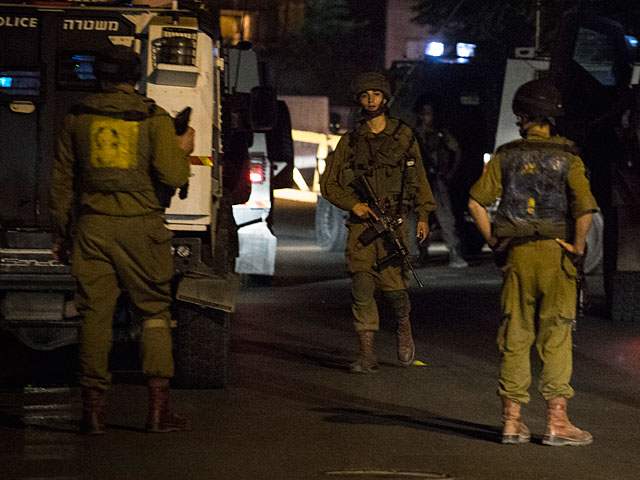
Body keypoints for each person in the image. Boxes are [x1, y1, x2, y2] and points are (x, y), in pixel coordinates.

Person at [50, 45, 194, 435]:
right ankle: (157, 412)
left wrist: (61, 233)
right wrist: (183, 149)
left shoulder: (77, 117)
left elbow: (62, 181)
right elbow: (174, 176)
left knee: (94, 316)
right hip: (141, 230)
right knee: (154, 313)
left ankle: (93, 413)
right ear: (135, 77)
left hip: (93, 230)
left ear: (100, 77)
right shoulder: (152, 118)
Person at [467, 79, 598, 446]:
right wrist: (577, 248)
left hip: (518, 254)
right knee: (556, 335)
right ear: (551, 118)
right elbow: (585, 209)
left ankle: (512, 422)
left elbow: (476, 203)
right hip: (557, 255)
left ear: (523, 116)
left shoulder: (506, 155)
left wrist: (494, 240)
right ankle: (557, 424)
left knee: (515, 334)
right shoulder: (570, 157)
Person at [320, 72, 435, 373]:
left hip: (394, 222)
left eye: (376, 94)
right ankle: (367, 353)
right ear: (359, 100)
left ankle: (403, 325)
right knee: (361, 285)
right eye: (365, 95)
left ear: (385, 98)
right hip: (362, 225)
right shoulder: (351, 141)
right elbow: (329, 184)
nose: (371, 100)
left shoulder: (403, 136)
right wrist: (354, 205)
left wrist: (423, 214)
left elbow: (419, 178)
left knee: (395, 288)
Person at [413, 93, 468, 268]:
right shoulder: (413, 135)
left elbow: (457, 151)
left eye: (430, 113)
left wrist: (450, 172)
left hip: (438, 181)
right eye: (425, 113)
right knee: (419, 219)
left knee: (446, 219)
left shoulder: (442, 134)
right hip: (419, 182)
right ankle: (420, 254)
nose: (428, 117)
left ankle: (454, 253)